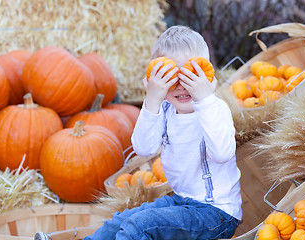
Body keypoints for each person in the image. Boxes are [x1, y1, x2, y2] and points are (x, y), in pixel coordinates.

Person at [84, 25, 242, 240]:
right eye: (170, 78)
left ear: (207, 77)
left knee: (141, 226)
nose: (181, 86)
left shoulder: (214, 108)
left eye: (191, 75)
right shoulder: (165, 110)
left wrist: (204, 99)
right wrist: (152, 100)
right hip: (180, 201)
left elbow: (222, 154)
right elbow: (143, 147)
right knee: (120, 221)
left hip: (216, 214)